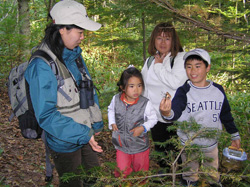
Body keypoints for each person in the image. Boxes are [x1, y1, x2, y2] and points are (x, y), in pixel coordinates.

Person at [24, 1, 103, 186]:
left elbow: (87, 89)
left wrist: (96, 123)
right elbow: (46, 115)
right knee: (73, 183)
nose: (83, 37)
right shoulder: (41, 65)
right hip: (64, 141)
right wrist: (84, 133)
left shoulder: (73, 55)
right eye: (80, 32)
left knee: (92, 178)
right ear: (62, 29)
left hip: (85, 130)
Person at [160, 48, 241, 186]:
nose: (193, 71)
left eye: (198, 66)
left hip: (211, 145)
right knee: (190, 176)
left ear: (207, 67)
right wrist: (167, 113)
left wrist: (234, 134)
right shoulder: (184, 91)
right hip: (189, 145)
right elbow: (176, 111)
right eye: (189, 67)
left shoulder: (218, 90)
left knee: (212, 175)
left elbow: (225, 114)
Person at [141, 22, 188, 169]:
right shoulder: (149, 61)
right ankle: (164, 174)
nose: (162, 42)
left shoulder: (180, 58)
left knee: (179, 152)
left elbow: (176, 83)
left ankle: (181, 178)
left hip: (176, 116)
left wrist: (159, 66)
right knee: (161, 150)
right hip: (156, 116)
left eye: (167, 38)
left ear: (173, 41)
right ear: (153, 40)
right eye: (159, 38)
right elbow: (144, 87)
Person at [108, 66, 157, 178]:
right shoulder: (116, 99)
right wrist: (112, 122)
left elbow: (153, 118)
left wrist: (143, 127)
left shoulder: (145, 103)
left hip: (139, 145)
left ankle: (141, 184)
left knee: (141, 171)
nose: (136, 90)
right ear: (122, 87)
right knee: (122, 171)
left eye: (139, 85)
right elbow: (111, 109)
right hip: (121, 144)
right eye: (131, 86)